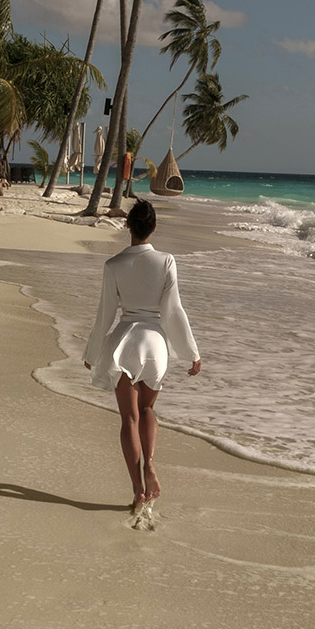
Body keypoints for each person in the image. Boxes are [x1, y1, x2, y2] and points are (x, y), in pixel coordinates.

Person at [83, 199, 201, 509]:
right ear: (154, 227)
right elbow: (174, 310)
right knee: (147, 409)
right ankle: (149, 465)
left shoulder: (113, 265)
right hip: (155, 345)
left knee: (129, 419)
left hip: (125, 343)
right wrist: (191, 351)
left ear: (127, 226)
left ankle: (137, 489)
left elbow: (105, 315)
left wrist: (92, 352)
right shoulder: (166, 261)